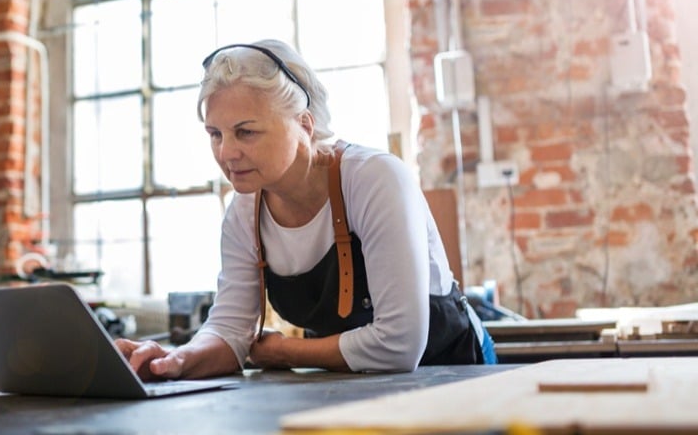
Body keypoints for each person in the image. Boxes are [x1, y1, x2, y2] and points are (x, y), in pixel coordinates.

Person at [114, 39, 497, 380]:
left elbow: (399, 345)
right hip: (349, 386)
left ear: (305, 124)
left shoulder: (374, 179)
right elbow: (230, 331)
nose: (226, 153)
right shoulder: (244, 211)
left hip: (453, 375)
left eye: (246, 132)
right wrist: (178, 360)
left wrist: (284, 352)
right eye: (215, 134)